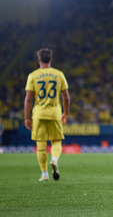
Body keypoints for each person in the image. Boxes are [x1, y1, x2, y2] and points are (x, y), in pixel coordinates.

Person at [24, 48, 70, 181]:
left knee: (41, 145)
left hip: (38, 114)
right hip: (55, 113)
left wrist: (26, 117)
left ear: (39, 60)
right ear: (50, 60)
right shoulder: (59, 74)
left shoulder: (32, 75)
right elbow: (66, 97)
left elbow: (28, 99)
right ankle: (54, 160)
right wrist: (65, 113)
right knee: (56, 141)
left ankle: (44, 174)